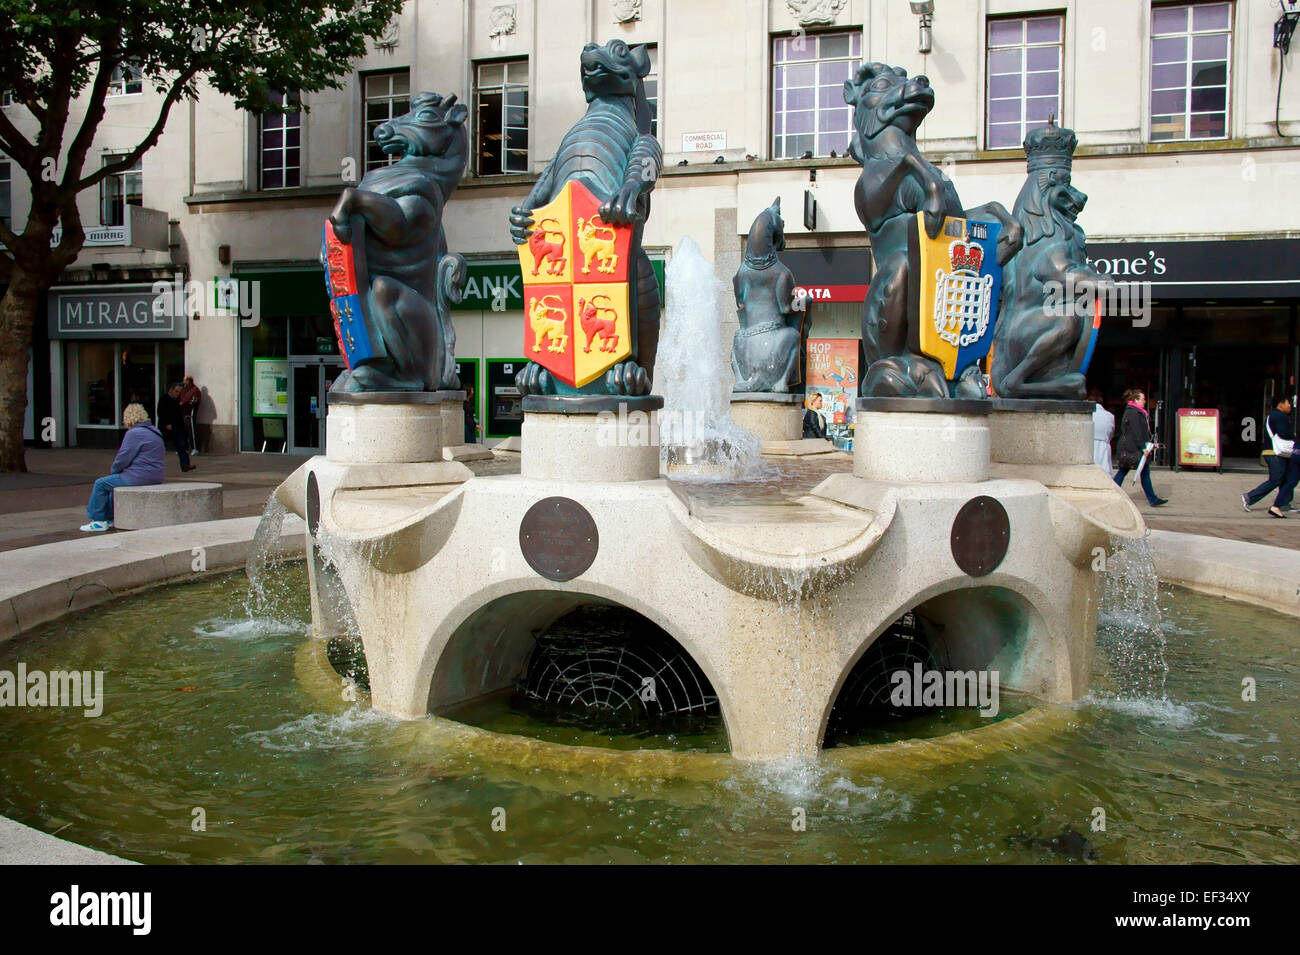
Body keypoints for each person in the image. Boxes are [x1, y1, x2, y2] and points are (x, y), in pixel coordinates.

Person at [80, 403, 166, 532]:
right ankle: (108, 518)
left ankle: (98, 520)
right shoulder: (155, 431)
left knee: (101, 484)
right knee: (113, 483)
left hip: (139, 476)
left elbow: (123, 458)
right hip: (156, 475)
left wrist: (114, 471)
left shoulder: (134, 433)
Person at [1242, 394, 1297, 519]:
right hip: (1274, 452)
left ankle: (1284, 503)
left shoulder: (1273, 415)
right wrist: (1294, 437)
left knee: (1286, 477)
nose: (1290, 406)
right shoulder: (1279, 416)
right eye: (1288, 402)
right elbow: (1284, 433)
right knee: (1276, 479)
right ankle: (1249, 497)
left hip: (1274, 452)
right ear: (1281, 403)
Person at [1113, 388, 1167, 507]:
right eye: (1142, 399)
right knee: (1127, 471)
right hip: (1133, 448)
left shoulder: (1135, 412)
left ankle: (1152, 499)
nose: (1145, 401)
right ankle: (1152, 499)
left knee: (1132, 472)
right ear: (1136, 400)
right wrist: (1144, 448)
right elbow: (1137, 433)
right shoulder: (1134, 413)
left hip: (1132, 447)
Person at [158, 383, 195, 472]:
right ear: (171, 390)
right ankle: (155, 466)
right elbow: (160, 412)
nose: (178, 393)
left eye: (179, 392)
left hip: (177, 427)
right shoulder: (164, 399)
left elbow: (178, 414)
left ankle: (185, 465)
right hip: (166, 427)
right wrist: (166, 424)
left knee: (181, 446)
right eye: (176, 391)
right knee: (160, 446)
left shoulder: (177, 400)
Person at [1089, 388, 1114, 472]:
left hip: (1088, 448)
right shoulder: (1109, 416)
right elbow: (1111, 434)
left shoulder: (1086, 415)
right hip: (1104, 449)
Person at [179, 375, 201, 455]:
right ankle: (184, 448)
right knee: (183, 432)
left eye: (185, 380)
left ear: (189, 381)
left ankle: (194, 448)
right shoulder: (184, 389)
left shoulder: (195, 390)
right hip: (183, 413)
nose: (183, 382)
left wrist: (183, 403)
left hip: (189, 414)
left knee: (191, 431)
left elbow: (193, 401)